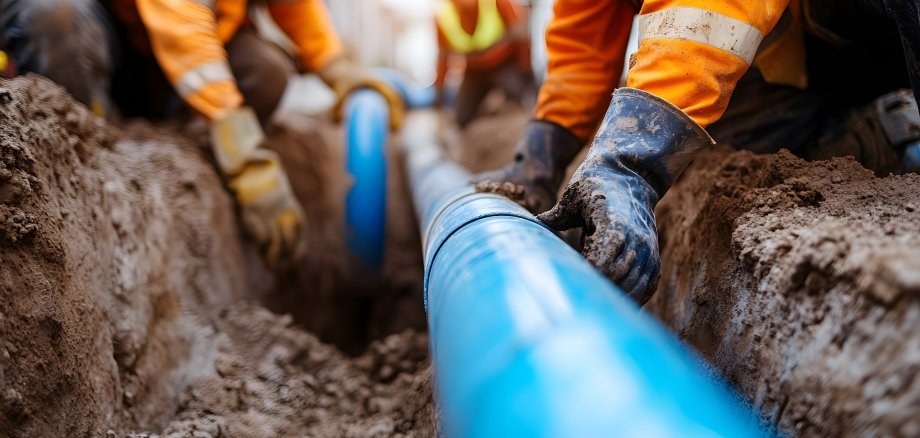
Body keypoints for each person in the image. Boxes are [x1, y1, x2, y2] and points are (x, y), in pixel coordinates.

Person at [478, 0, 920, 303]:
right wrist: (538, 161)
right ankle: (883, 132)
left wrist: (627, 163)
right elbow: (582, 48)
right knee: (738, 144)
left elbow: (707, 14)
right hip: (805, 40)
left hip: (866, 21)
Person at [0, 0, 404, 268]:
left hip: (176, 43)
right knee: (55, 21)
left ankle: (182, 141)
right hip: (104, 25)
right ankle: (92, 149)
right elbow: (185, 31)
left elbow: (295, 6)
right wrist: (247, 161)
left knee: (266, 71)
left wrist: (336, 67)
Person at [435, 0, 533, 127]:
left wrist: (526, 73)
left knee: (517, 98)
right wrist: (439, 96)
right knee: (462, 118)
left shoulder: (497, 3)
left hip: (503, 64)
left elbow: (520, 36)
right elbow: (443, 57)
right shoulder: (443, 16)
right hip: (474, 70)